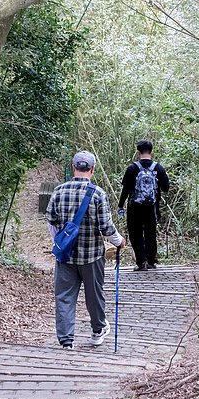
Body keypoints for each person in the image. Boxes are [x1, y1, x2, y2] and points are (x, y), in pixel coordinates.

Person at [46, 150, 124, 350]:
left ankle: (66, 341)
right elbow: (106, 227)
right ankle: (98, 331)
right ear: (92, 169)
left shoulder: (59, 191)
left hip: (65, 256)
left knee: (64, 296)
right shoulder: (98, 194)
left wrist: (61, 242)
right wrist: (118, 241)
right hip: (92, 255)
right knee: (94, 294)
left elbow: (52, 222)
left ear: (73, 167)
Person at [118, 140, 170, 271]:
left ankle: (141, 262)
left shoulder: (132, 168)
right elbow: (166, 188)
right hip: (152, 208)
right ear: (151, 151)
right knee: (150, 233)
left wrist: (121, 205)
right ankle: (151, 261)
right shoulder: (158, 168)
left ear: (138, 152)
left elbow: (125, 189)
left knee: (135, 234)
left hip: (134, 207)